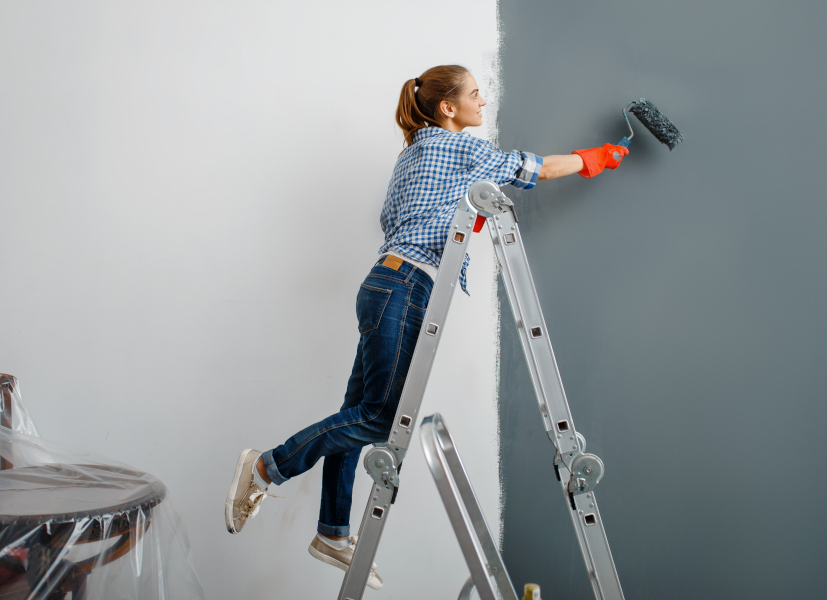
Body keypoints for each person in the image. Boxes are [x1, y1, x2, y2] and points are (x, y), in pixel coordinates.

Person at [224, 64, 628, 590]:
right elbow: (538, 169)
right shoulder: (459, 148)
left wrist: (455, 216)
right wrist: (595, 158)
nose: (483, 102)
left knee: (356, 414)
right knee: (381, 419)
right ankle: (265, 468)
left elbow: (398, 219)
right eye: (475, 95)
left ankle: (332, 532)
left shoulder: (412, 153)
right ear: (447, 108)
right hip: (405, 288)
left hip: (383, 283)